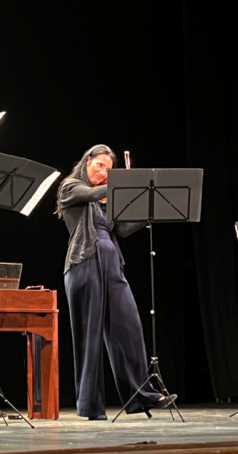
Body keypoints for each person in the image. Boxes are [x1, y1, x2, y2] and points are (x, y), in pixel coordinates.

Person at [56, 144, 176, 420]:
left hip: (112, 263)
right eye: (99, 166)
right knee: (90, 337)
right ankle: (90, 406)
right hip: (84, 262)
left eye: (109, 169)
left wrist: (147, 211)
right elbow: (93, 192)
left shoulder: (105, 197)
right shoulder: (71, 187)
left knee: (128, 326)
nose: (103, 172)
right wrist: (124, 184)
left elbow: (120, 229)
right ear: (87, 162)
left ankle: (139, 396)